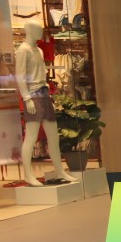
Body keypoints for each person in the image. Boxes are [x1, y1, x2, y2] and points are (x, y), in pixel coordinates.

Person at [16, 20, 77, 186]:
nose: (41, 32)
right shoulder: (23, 50)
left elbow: (41, 73)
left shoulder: (39, 51)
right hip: (33, 96)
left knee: (53, 136)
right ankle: (28, 174)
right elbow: (20, 77)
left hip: (44, 94)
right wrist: (27, 98)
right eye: (38, 29)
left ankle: (60, 171)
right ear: (29, 30)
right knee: (31, 136)